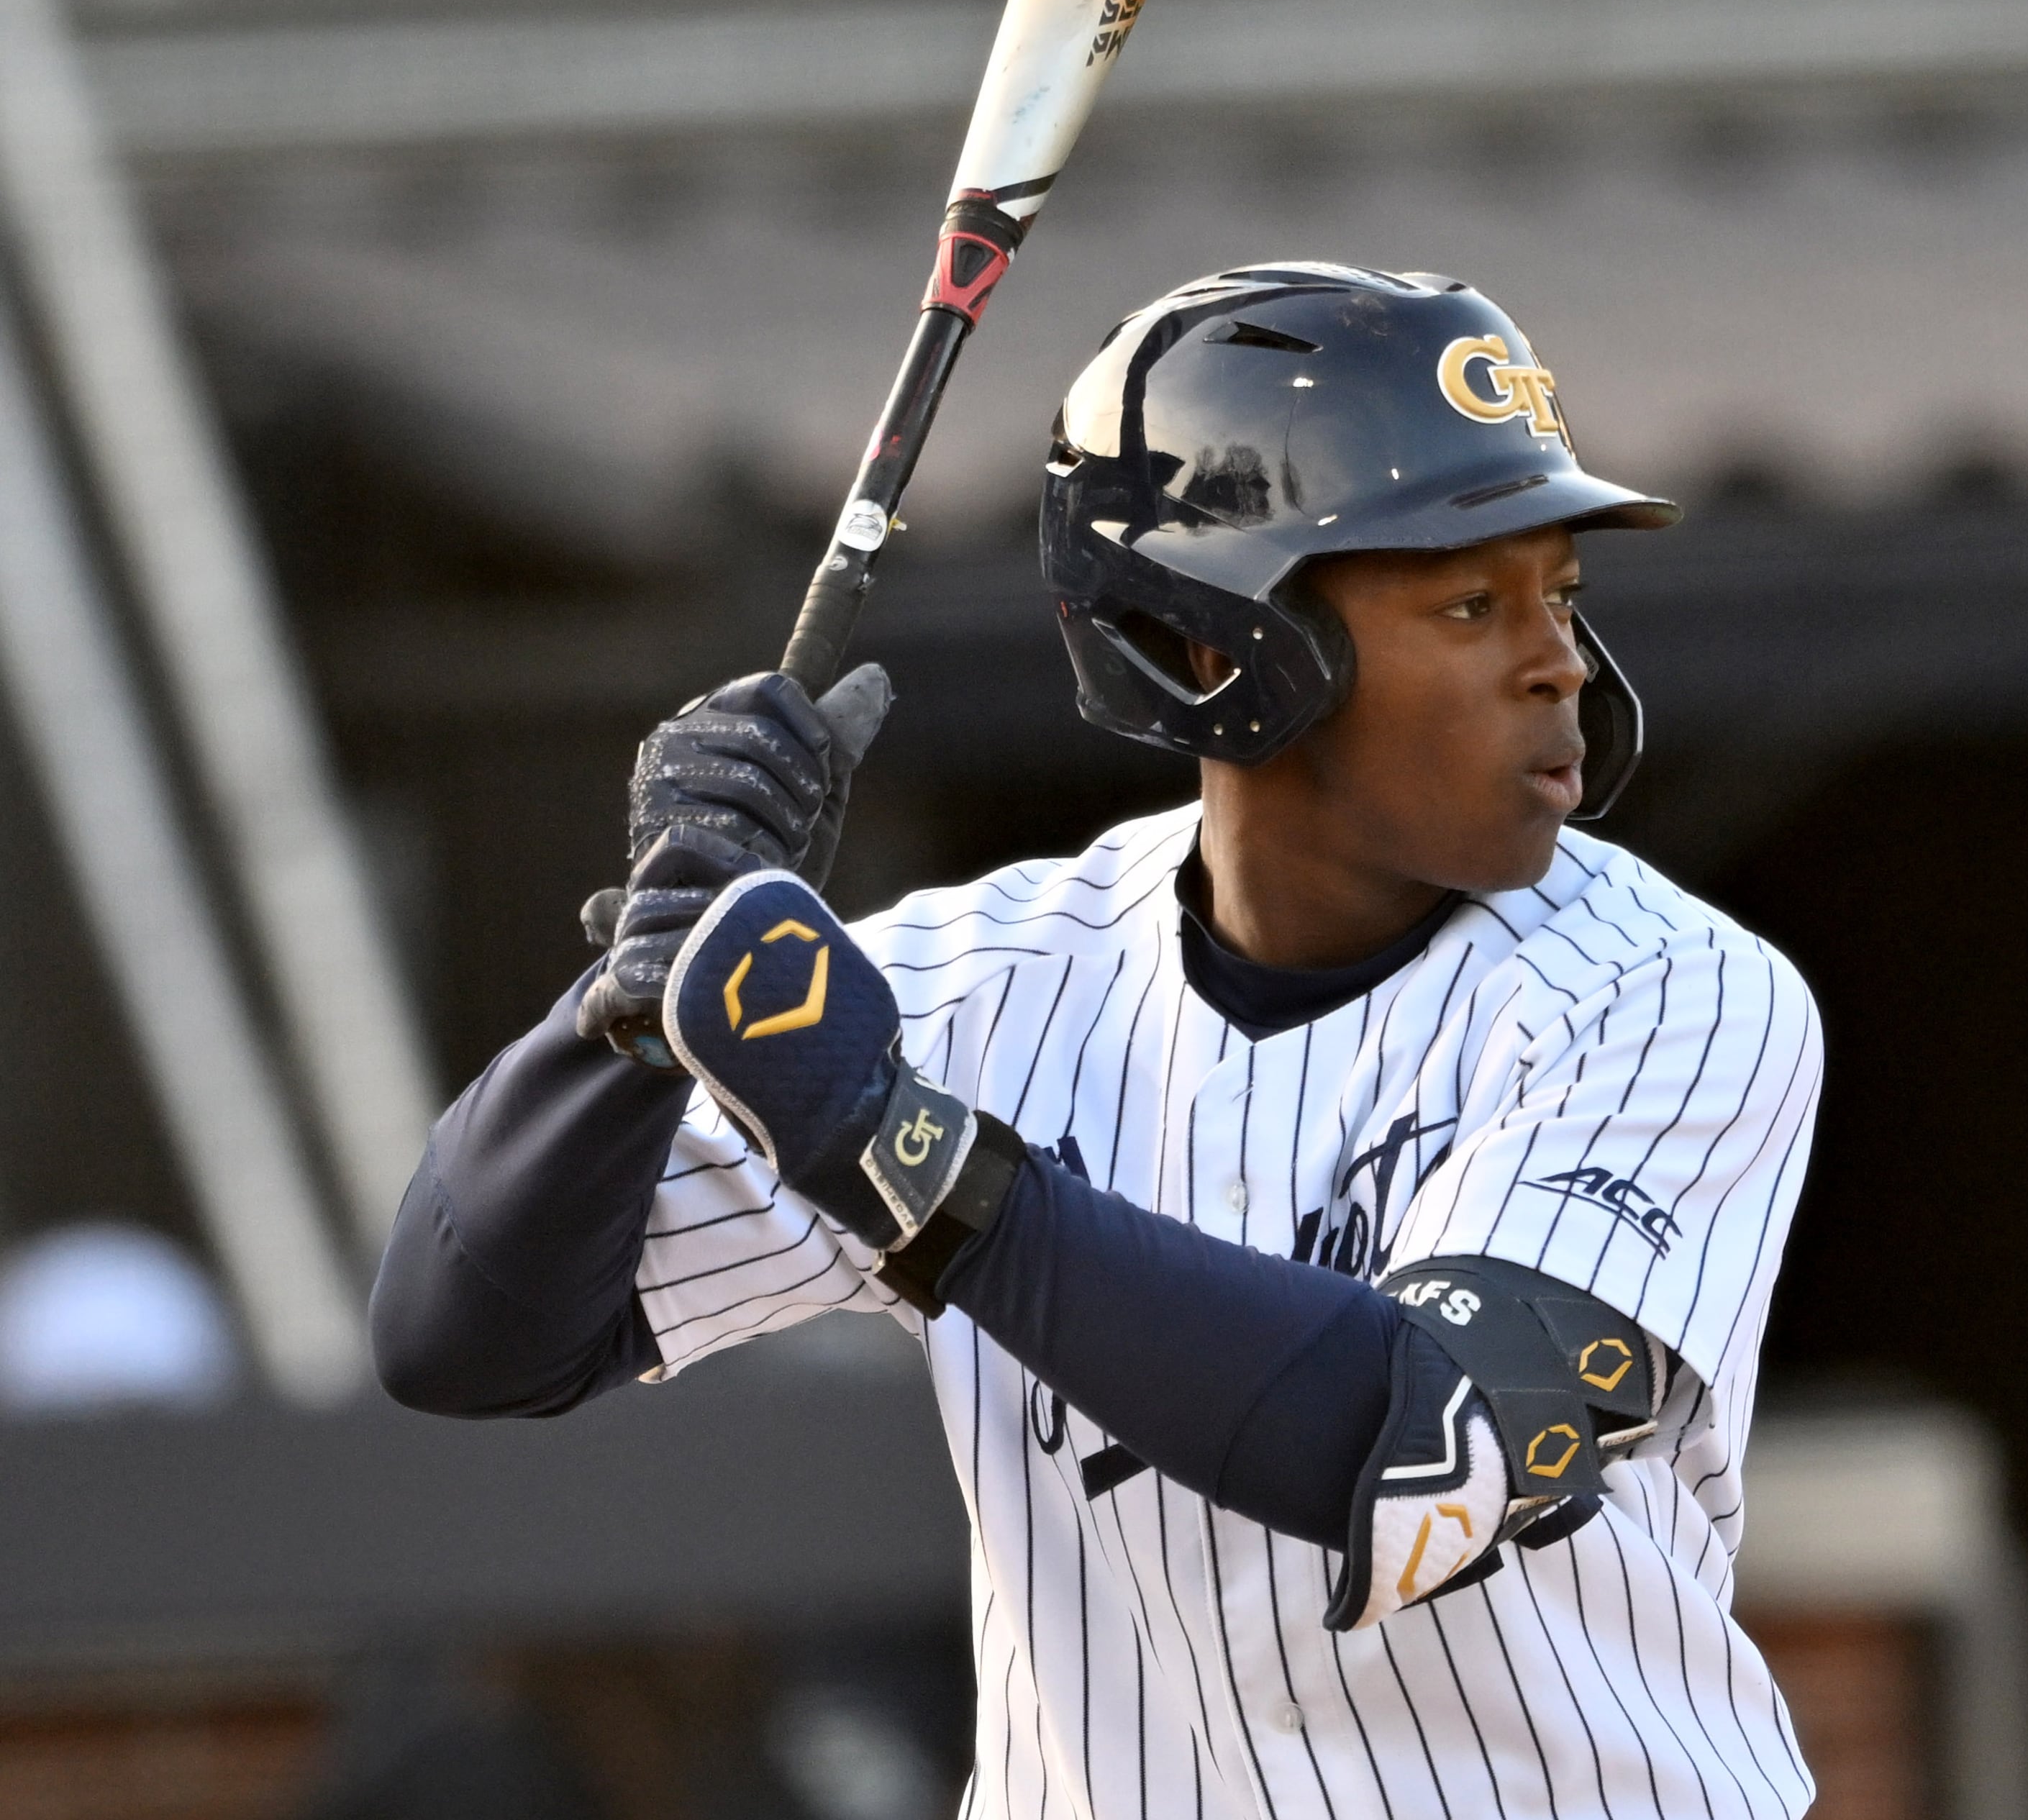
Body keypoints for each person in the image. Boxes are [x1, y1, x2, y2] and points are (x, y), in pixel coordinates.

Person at [373, 263, 1824, 1820]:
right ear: (1216, 646)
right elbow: (467, 1333)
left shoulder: (1666, 988)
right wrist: (632, 1005)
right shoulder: (981, 983)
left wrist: (904, 1157)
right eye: (1472, 602)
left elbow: (1431, 1452)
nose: (1556, 663)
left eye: (1561, 594)